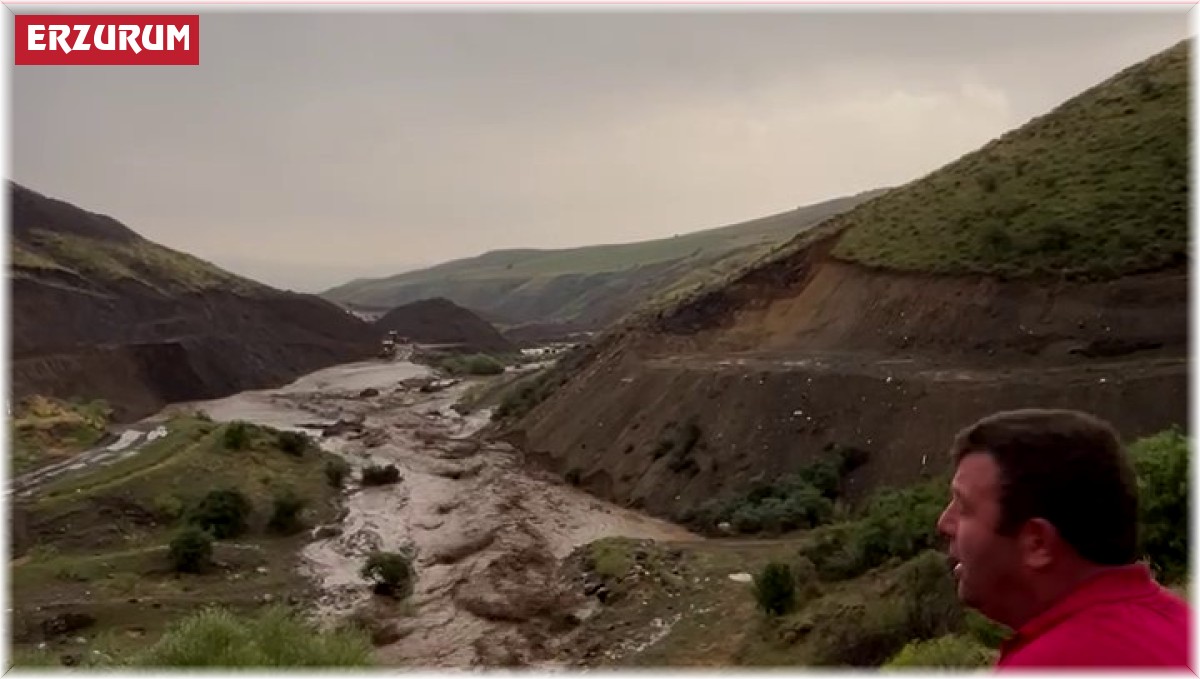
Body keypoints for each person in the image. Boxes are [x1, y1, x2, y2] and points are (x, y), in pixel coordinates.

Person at [935, 408, 1191, 670]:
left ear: (1038, 544)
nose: (944, 523)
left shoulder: (1052, 665)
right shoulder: (1182, 628)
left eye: (964, 507)